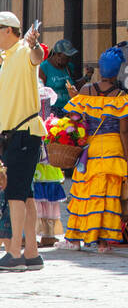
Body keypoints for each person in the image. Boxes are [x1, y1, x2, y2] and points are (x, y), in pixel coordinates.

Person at [62, 46, 128, 252]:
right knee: (107, 196)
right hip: (113, 148)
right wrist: (127, 156)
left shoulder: (85, 91)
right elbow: (124, 131)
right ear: (117, 72)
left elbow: (75, 119)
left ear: (100, 69)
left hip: (92, 148)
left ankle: (75, 238)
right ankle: (103, 242)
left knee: (84, 192)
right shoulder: (120, 96)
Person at [0, 12, 48, 272]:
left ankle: (14, 253)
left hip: (23, 133)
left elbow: (36, 57)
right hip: (14, 135)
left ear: (8, 30)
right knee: (26, 195)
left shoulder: (22, 51)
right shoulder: (6, 59)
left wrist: (35, 45)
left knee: (15, 195)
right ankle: (32, 253)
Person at [32, 50, 66, 247]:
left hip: (36, 141)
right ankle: (46, 233)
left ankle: (35, 234)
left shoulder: (33, 88)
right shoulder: (43, 90)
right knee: (45, 191)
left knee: (37, 191)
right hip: (45, 142)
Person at [39, 39, 79, 113]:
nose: (69, 60)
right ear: (58, 55)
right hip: (52, 110)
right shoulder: (44, 67)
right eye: (67, 57)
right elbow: (40, 91)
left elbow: (75, 84)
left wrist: (87, 77)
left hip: (69, 109)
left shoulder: (69, 67)